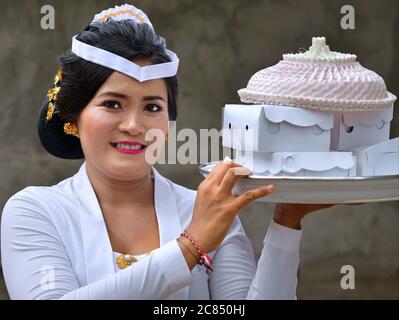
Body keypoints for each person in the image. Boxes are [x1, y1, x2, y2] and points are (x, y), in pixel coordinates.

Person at [0, 4, 332, 300]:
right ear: (73, 117)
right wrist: (189, 246)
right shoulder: (35, 212)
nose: (133, 125)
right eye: (112, 104)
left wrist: (287, 220)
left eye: (152, 106)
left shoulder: (204, 212)